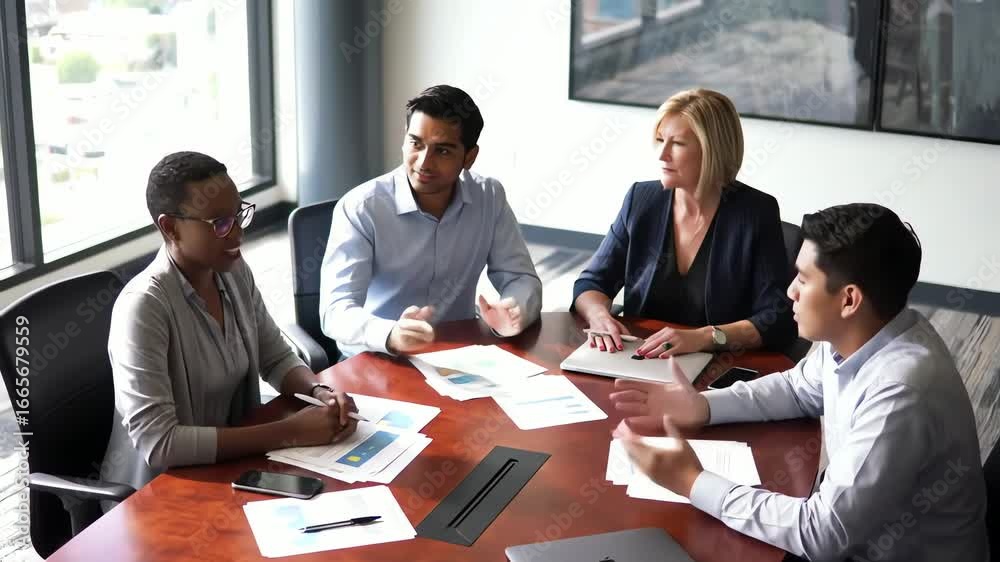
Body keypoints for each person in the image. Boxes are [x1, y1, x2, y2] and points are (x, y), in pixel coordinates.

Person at [610, 204, 988, 561]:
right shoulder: (864, 332)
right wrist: (704, 406)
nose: (790, 291)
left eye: (803, 280)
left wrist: (692, 481)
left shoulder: (900, 392)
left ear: (849, 300)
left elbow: (822, 534)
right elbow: (797, 388)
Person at [103, 152, 358, 490]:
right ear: (171, 227)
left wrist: (318, 392)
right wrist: (290, 432)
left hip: (233, 468)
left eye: (239, 214)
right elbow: (160, 443)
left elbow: (275, 357)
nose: (237, 233)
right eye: (220, 223)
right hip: (162, 491)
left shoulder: (233, 271)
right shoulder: (143, 308)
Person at [320, 84, 542, 357]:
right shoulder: (362, 208)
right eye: (416, 143)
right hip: (379, 356)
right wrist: (391, 334)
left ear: (469, 157)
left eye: (443, 151)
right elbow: (335, 310)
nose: (424, 163)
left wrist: (515, 308)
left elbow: (521, 277)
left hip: (458, 355)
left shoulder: (489, 197)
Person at [572, 88, 796, 358]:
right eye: (660, 140)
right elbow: (593, 282)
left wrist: (704, 337)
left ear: (713, 150)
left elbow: (776, 318)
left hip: (715, 362)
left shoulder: (755, 212)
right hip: (641, 355)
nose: (662, 155)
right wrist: (598, 315)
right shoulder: (641, 199)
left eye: (677, 144)